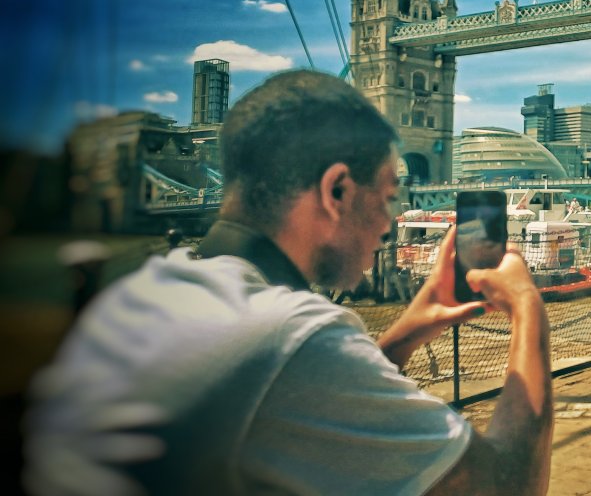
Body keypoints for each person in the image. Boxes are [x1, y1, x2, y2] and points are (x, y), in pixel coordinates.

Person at [24, 70, 553, 495]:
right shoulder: (292, 334)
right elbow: (507, 485)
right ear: (337, 191)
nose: (391, 222)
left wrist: (405, 333)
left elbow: (279, 390)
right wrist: (529, 307)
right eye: (389, 195)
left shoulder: (144, 290)